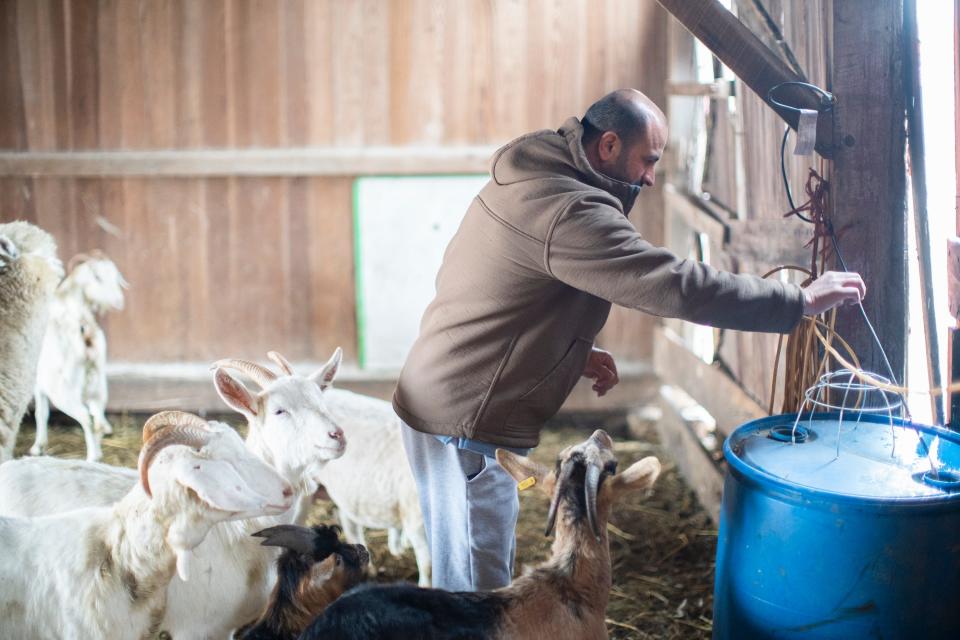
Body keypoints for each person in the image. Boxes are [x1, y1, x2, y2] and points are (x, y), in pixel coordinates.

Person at [393, 88, 865, 591]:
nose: (650, 177)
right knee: (474, 589)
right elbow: (673, 285)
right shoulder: (568, 210)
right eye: (648, 160)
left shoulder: (532, 176)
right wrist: (796, 301)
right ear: (610, 146)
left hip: (442, 393)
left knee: (461, 573)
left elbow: (499, 291)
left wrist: (567, 350)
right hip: (466, 421)